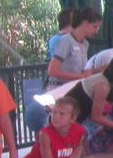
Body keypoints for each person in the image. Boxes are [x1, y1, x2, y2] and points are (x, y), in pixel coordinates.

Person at [29, 8, 101, 136]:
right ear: (85, 23)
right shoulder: (65, 41)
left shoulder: (85, 44)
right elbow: (52, 70)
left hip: (73, 90)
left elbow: (83, 70)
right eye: (94, 27)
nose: (97, 31)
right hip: (58, 88)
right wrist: (78, 76)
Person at [19, 96, 92, 158]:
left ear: (73, 119)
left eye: (62, 114)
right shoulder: (45, 134)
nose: (56, 117)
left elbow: (80, 144)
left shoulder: (79, 130)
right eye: (54, 112)